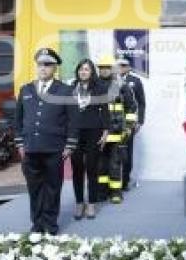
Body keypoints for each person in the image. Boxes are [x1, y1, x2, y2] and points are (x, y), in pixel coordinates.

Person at [15, 48, 77, 235]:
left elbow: (73, 120)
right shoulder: (25, 89)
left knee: (52, 188)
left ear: (55, 68)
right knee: (34, 188)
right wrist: (19, 143)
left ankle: (50, 224)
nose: (43, 68)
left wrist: (70, 144)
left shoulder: (65, 90)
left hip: (54, 148)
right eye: (40, 64)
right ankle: (37, 223)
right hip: (31, 148)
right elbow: (18, 119)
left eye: (48, 64)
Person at [69, 59, 108, 220]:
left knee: (92, 169)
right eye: (80, 69)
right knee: (77, 169)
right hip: (75, 133)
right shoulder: (71, 88)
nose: (83, 72)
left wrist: (106, 132)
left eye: (86, 69)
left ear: (92, 72)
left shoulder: (99, 88)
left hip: (94, 132)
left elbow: (105, 111)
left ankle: (91, 203)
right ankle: (79, 202)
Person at [96, 55, 137, 203]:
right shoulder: (93, 86)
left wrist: (129, 128)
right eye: (102, 68)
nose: (104, 70)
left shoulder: (121, 86)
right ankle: (101, 193)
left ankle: (115, 193)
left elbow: (131, 108)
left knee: (115, 164)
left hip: (117, 133)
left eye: (107, 67)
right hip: (99, 134)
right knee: (100, 166)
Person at [117, 57, 145, 191]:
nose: (121, 67)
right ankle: (112, 182)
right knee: (111, 153)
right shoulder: (111, 80)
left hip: (128, 123)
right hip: (112, 123)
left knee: (127, 152)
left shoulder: (135, 81)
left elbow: (141, 102)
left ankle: (125, 181)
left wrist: (139, 121)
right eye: (119, 65)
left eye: (124, 65)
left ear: (129, 67)